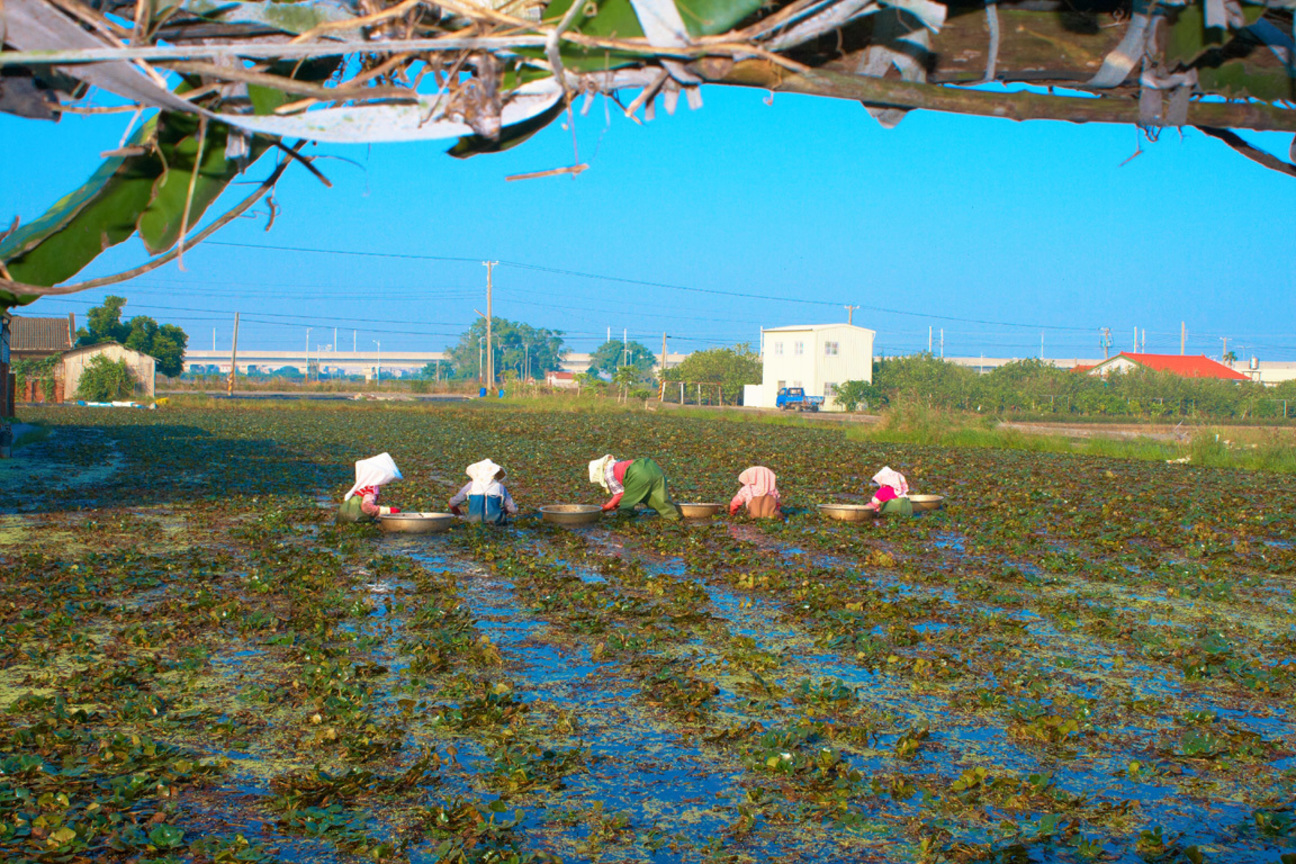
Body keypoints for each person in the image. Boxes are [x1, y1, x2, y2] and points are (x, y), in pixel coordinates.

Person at [589, 454, 680, 520]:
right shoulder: (617, 465)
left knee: (625, 507)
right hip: (652, 466)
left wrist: (607, 507)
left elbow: (620, 494)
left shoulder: (608, 473)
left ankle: (625, 522)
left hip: (638, 473)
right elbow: (631, 491)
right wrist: (616, 503)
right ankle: (674, 518)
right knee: (658, 498)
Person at [337, 452, 402, 523]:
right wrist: (389, 511)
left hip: (342, 515)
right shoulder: (371, 488)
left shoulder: (362, 485)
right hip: (355, 518)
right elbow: (366, 507)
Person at [448, 458, 518, 524]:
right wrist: (505, 511)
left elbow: (452, 503)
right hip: (496, 522)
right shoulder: (500, 487)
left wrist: (457, 512)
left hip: (474, 522)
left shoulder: (471, 485)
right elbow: (513, 509)